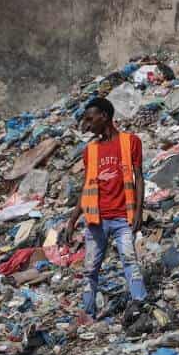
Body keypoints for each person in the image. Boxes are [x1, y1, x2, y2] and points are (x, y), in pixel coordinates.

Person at [63, 97, 147, 322]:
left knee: (129, 260)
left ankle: (140, 303)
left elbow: (138, 177)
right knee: (90, 268)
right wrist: (73, 219)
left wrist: (139, 211)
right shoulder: (89, 150)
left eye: (90, 119)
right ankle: (88, 313)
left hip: (123, 217)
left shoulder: (130, 142)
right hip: (95, 220)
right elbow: (86, 186)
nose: (87, 125)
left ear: (105, 117)